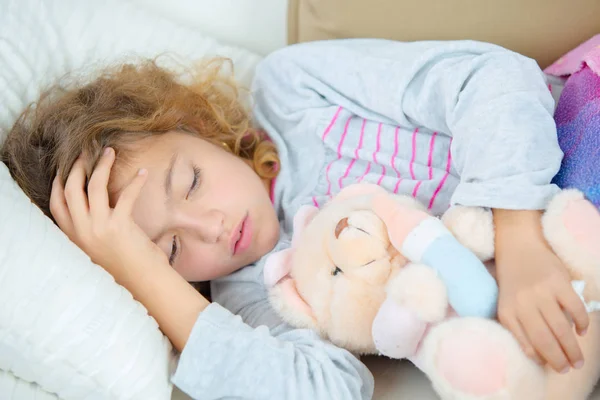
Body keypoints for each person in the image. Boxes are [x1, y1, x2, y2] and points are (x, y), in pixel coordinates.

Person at [1, 39, 594, 399]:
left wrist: (519, 238)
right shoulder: (250, 299)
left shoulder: (294, 92)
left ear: (194, 125)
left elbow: (489, 77)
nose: (212, 227)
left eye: (193, 181)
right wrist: (150, 280)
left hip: (573, 148)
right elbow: (331, 392)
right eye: (172, 251)